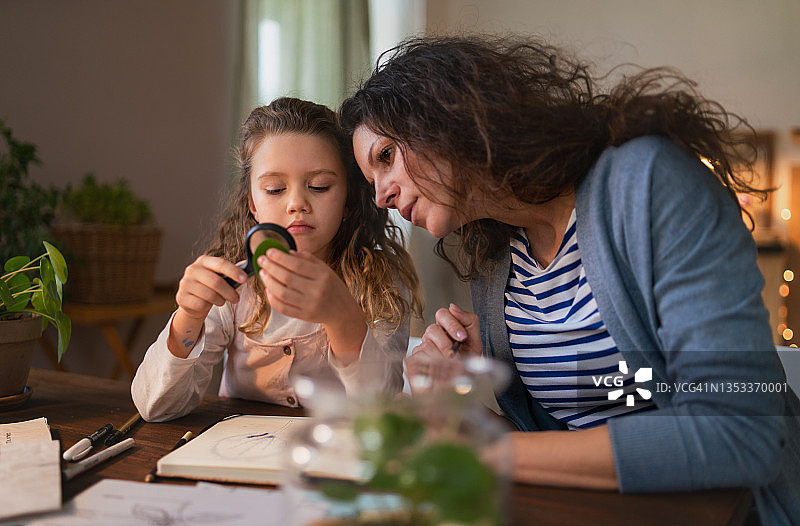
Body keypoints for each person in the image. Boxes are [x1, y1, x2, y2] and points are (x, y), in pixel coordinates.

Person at [341, 34, 800, 525]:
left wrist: (482, 455)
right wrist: (458, 411)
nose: (381, 197)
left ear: (447, 115)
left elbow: (740, 432)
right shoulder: (497, 265)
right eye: (370, 183)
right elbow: (590, 419)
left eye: (385, 156)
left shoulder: (647, 182)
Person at [133, 97, 422, 422]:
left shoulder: (381, 280)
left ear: (349, 199)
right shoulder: (231, 284)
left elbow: (381, 415)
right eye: (274, 189)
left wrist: (342, 318)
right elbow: (156, 407)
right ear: (252, 205)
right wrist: (188, 317)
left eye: (319, 186)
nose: (297, 203)